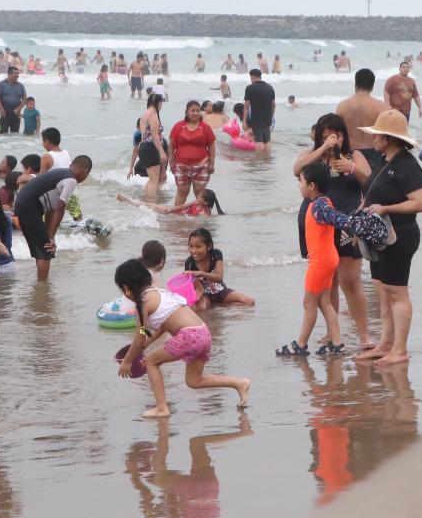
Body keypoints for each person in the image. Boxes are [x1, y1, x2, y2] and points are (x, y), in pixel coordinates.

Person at [113, 259, 251, 419]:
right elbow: (164, 325)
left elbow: (139, 336)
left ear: (126, 289)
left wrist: (128, 361)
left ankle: (161, 407)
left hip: (189, 336)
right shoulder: (161, 293)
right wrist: (147, 343)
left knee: (151, 361)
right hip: (203, 333)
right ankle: (239, 383)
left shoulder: (142, 304)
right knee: (194, 381)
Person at [292, 114, 373, 349]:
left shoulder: (353, 155)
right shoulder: (312, 156)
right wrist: (322, 149)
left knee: (350, 281)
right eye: (325, 135)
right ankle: (333, 335)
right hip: (317, 225)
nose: (331, 140)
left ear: (343, 136)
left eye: (335, 135)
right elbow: (297, 170)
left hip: (346, 223)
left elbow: (371, 184)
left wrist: (353, 168)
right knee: (329, 283)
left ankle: (364, 336)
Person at [355, 110, 422, 366]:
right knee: (383, 291)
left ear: (388, 138)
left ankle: (400, 349)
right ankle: (385, 344)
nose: (373, 140)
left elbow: (420, 203)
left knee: (397, 293)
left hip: (400, 235)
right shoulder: (384, 160)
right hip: (378, 236)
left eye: (377, 135)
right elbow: (372, 192)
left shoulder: (407, 165)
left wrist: (386, 209)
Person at [278, 163, 346, 356]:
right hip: (329, 257)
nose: (299, 185)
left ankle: (301, 344)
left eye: (301, 181)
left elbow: (332, 216)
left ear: (311, 185)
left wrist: (350, 222)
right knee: (324, 303)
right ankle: (337, 343)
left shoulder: (319, 205)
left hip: (321, 261)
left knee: (309, 303)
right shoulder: (322, 201)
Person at [13, 156, 93, 282]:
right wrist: (50, 238)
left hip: (22, 205)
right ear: (85, 171)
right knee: (47, 250)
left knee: (42, 248)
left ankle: (40, 283)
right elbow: (60, 208)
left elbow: (51, 208)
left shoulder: (58, 173)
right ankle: (42, 287)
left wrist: (50, 235)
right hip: (29, 208)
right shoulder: (71, 180)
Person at [183, 228, 254, 308]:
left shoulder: (216, 254)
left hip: (221, 291)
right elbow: (199, 289)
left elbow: (219, 278)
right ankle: (215, 307)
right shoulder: (189, 263)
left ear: (209, 246)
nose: (194, 251)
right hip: (205, 295)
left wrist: (201, 273)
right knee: (202, 308)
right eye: (191, 246)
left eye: (198, 247)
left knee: (250, 301)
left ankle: (218, 307)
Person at [168, 100, 217, 207]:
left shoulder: (205, 127)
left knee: (200, 195)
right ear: (187, 112)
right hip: (181, 166)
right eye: (192, 111)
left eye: (198, 111)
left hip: (202, 166)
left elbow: (212, 146)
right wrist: (171, 162)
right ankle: (177, 218)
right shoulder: (178, 126)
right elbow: (171, 145)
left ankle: (202, 221)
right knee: (182, 193)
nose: (195, 113)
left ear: (201, 112)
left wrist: (212, 164)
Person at [336, 69, 387, 164]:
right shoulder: (382, 107)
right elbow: (389, 136)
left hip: (350, 153)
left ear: (355, 84)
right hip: (375, 153)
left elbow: (336, 134)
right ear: (372, 86)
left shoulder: (342, 106)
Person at [129, 93, 166, 196]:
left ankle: (145, 201)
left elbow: (144, 134)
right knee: (154, 180)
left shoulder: (144, 115)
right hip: (151, 148)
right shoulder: (153, 116)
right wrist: (162, 152)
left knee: (151, 180)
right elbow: (155, 137)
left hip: (143, 147)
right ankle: (151, 205)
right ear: (159, 103)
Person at [242, 68, 276, 151]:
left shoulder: (249, 88)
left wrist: (244, 121)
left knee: (258, 141)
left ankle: (259, 161)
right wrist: (270, 116)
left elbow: (246, 106)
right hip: (267, 119)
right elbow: (274, 105)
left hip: (256, 119)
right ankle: (268, 159)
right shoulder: (270, 87)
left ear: (252, 77)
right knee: (267, 140)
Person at [0, 66, 27, 134]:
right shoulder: (1, 84)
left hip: (16, 112)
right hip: (3, 111)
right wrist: (1, 109)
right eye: (15, 73)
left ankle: (13, 145)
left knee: (15, 133)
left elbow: (24, 99)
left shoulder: (20, 86)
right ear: (9, 74)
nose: (17, 75)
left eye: (18, 74)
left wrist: (19, 108)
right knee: (1, 133)